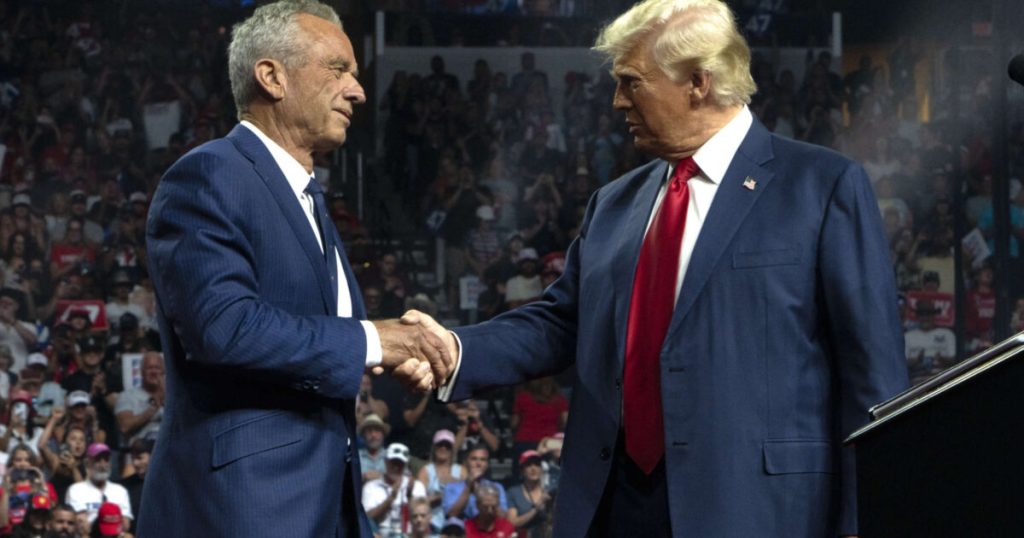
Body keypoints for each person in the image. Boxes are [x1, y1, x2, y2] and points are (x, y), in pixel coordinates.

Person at [406, 0, 909, 535]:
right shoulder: (613, 204)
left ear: (698, 82)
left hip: (759, 509)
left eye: (631, 82)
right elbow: (560, 323)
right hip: (614, 506)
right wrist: (454, 350)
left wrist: (869, 518)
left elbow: (872, 373)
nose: (617, 100)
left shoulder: (821, 186)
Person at [139, 1, 451, 536]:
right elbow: (225, 327)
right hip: (244, 508)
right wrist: (374, 341)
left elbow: (319, 345)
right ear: (272, 77)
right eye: (338, 69)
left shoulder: (308, 198)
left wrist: (393, 355)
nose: (358, 91)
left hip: (328, 506)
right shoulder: (210, 174)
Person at [360, 443, 426, 536]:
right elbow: (367, 519)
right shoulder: (371, 487)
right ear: (386, 462)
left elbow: (422, 517)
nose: (396, 467)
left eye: (400, 464)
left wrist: (409, 496)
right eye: (393, 462)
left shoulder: (416, 486)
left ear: (406, 465)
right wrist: (390, 499)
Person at [65, 443, 131, 526]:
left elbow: (125, 524)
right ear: (87, 463)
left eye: (106, 460)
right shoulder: (76, 490)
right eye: (98, 460)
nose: (103, 465)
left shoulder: (120, 491)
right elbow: (81, 525)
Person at [442, 445, 507, 521]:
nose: (478, 463)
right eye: (474, 459)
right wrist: (468, 487)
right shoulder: (451, 487)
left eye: (483, 460)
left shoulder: (497, 487)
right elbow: (451, 515)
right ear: (465, 462)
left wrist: (480, 493)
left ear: (487, 464)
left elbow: (502, 517)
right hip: (462, 527)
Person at [416, 429, 463, 531]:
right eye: (440, 445)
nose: (443, 448)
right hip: (432, 524)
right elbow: (418, 503)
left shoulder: (461, 471)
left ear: (452, 449)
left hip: (456, 525)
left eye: (447, 446)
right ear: (434, 447)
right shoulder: (425, 471)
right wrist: (438, 497)